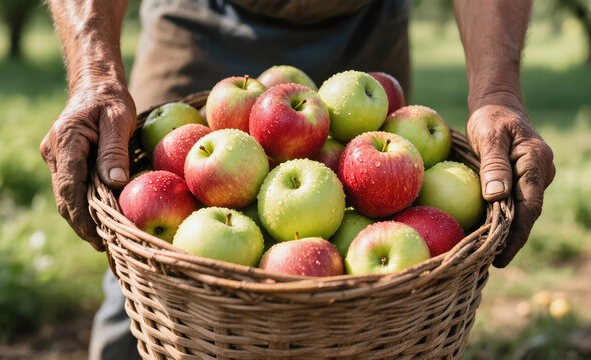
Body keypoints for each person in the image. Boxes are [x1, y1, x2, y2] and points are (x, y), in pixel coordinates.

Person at [40, 0, 555, 359]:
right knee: (143, 273)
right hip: (197, 16)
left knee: (374, 310)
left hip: (364, 24)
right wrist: (96, 77)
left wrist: (497, 94)